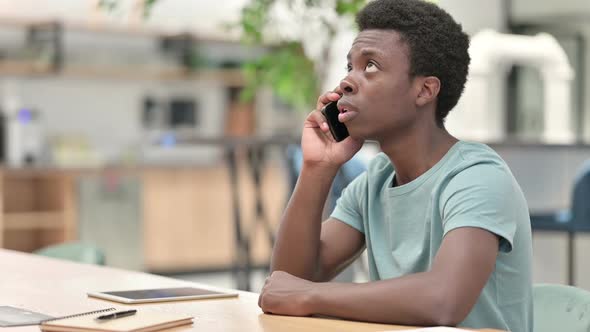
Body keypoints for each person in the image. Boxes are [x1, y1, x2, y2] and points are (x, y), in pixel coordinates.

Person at [258, 0, 533, 331]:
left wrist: (312, 296)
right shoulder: (376, 181)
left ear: (424, 90)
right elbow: (290, 281)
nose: (346, 82)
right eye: (349, 68)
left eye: (370, 66)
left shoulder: (477, 177)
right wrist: (318, 168)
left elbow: (443, 299)